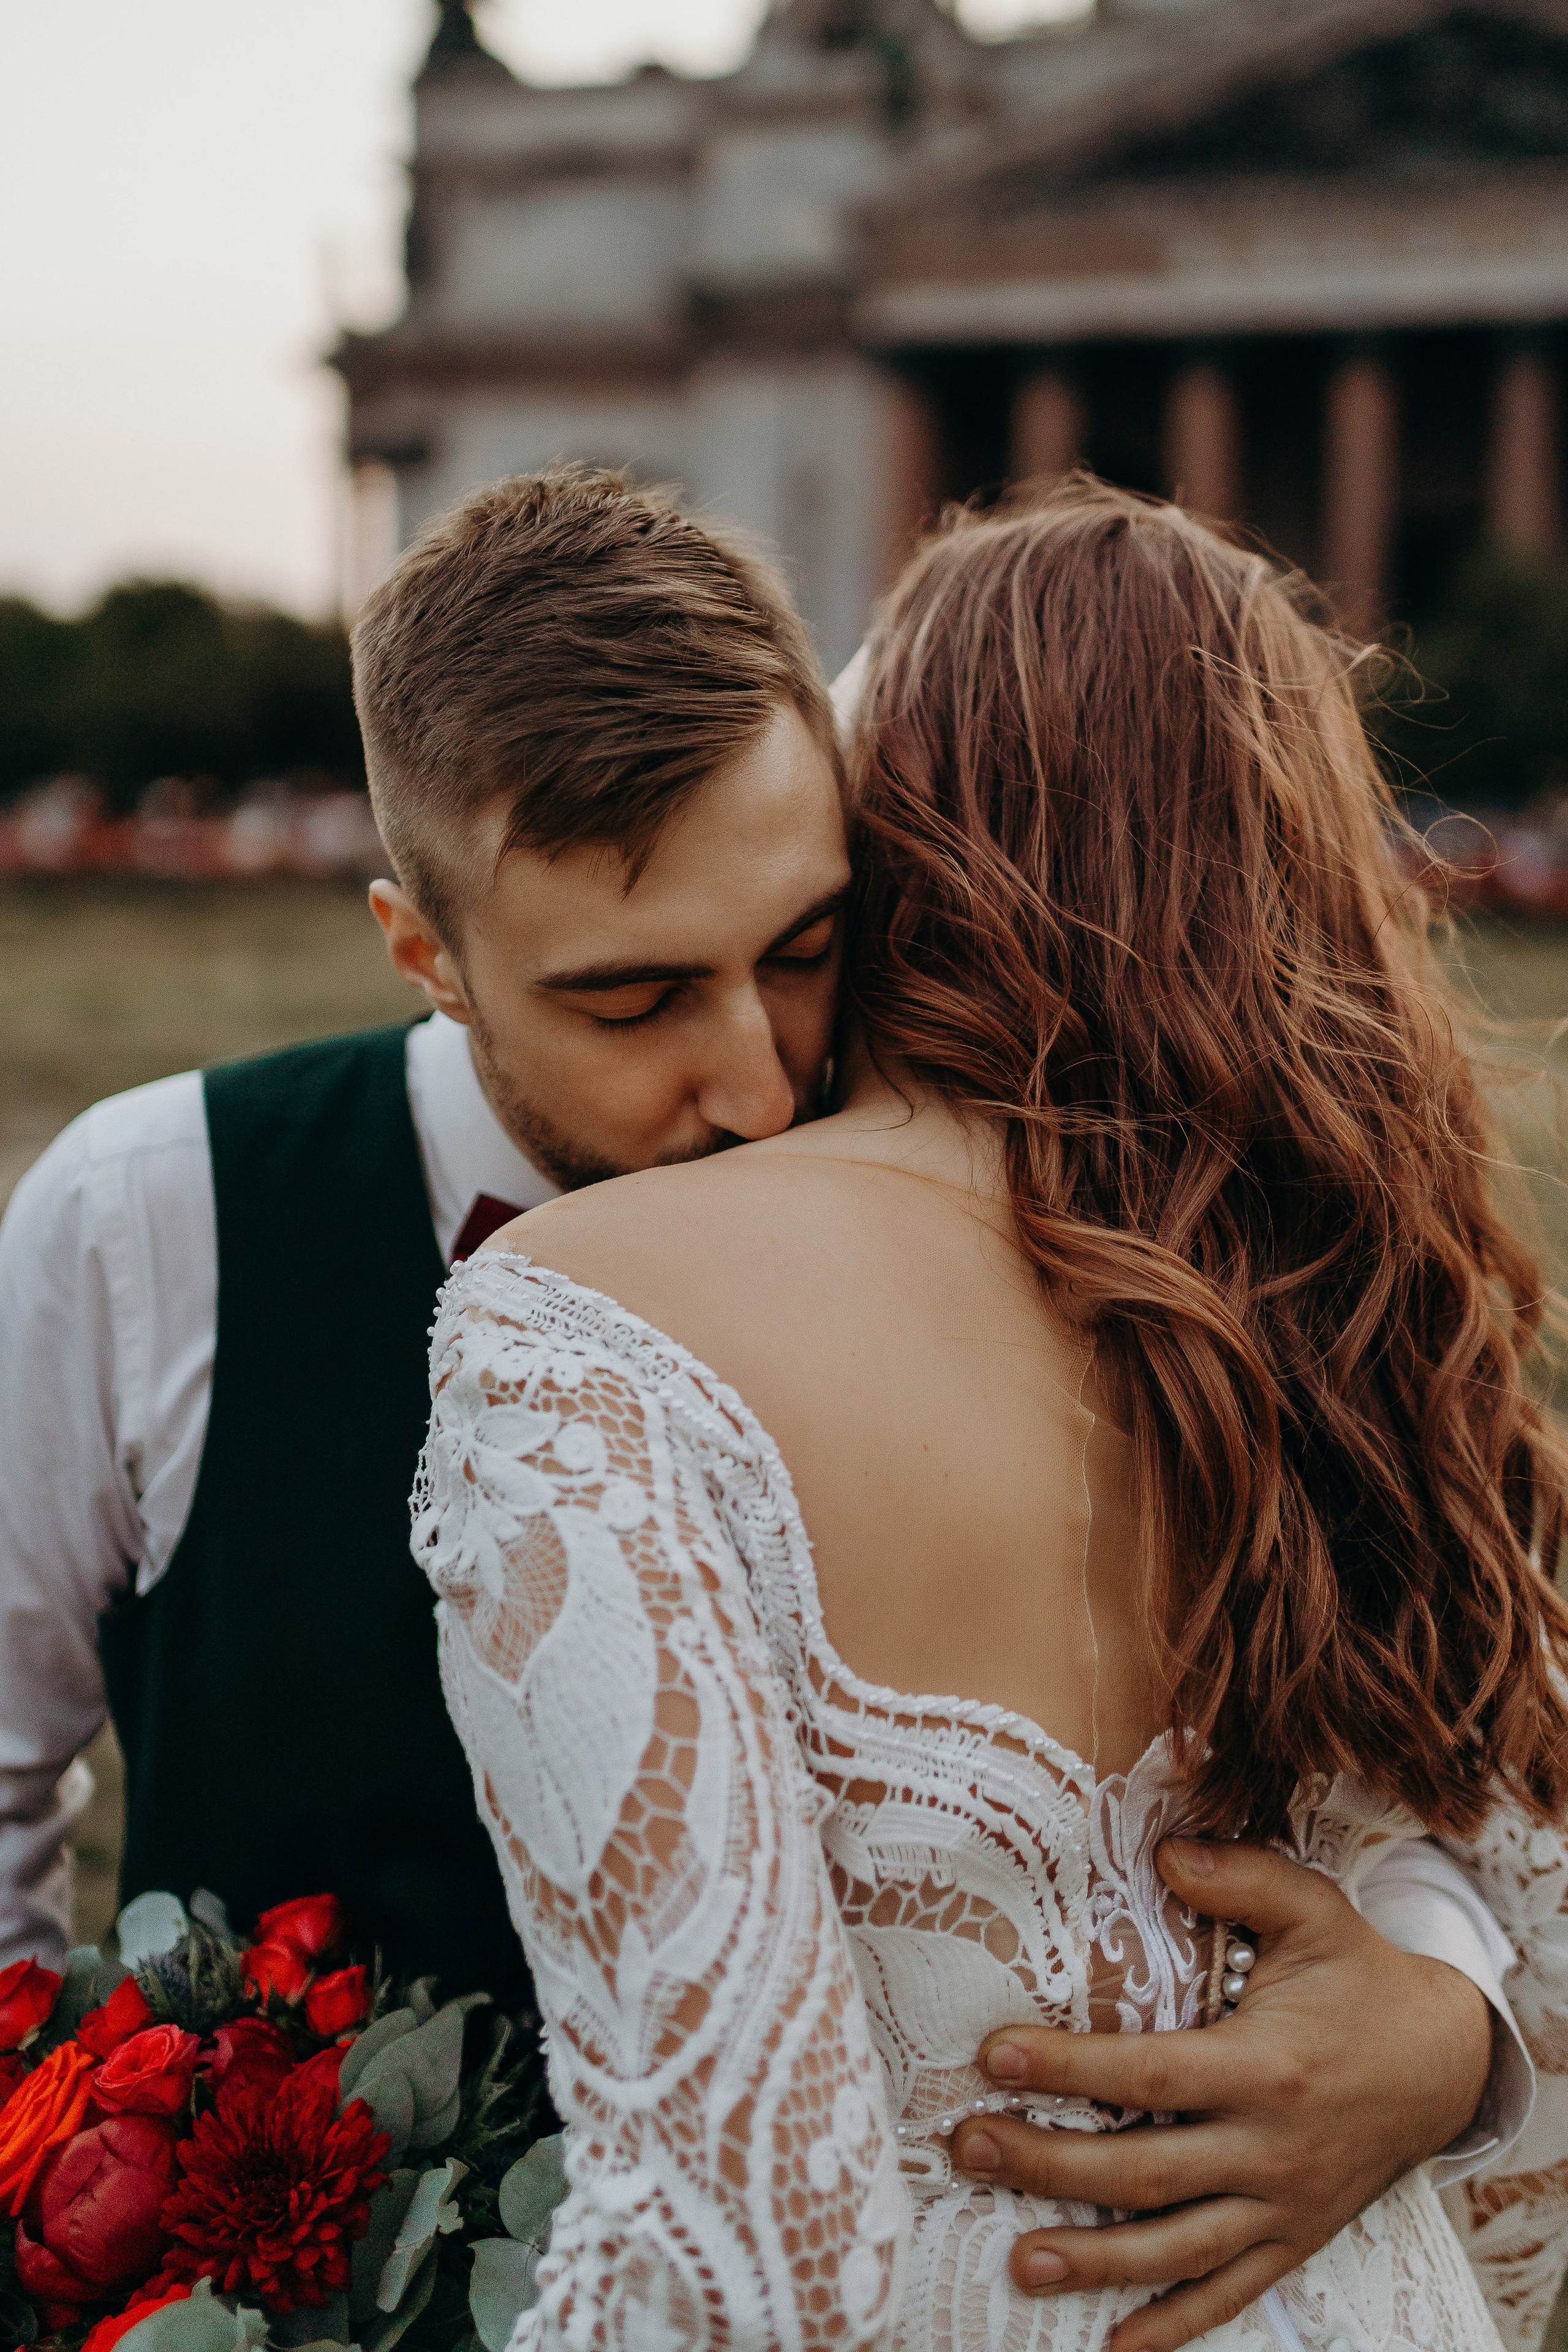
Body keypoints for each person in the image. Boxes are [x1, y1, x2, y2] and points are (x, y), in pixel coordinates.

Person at [0, 469, 1548, 2339]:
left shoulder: (1107, 1223)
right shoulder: (143, 1214)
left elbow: (1403, 1747)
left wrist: (1445, 2014)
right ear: (427, 951)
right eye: (635, 998)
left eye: (811, 950)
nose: (753, 1081)